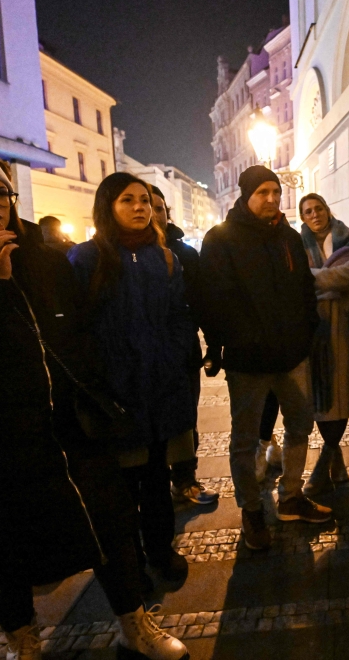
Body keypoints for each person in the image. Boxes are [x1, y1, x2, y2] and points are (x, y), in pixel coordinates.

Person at [0, 152, 186, 660]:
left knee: (110, 524)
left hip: (67, 423)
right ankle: (23, 640)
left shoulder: (44, 257)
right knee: (3, 545)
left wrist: (93, 387)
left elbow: (80, 328)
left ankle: (134, 624)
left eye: (1, 194)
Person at [68, 173, 195, 591]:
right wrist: (102, 374)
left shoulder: (165, 257)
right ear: (108, 206)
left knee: (157, 479)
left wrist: (174, 356)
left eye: (144, 200)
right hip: (115, 395)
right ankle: (131, 566)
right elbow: (77, 326)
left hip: (158, 389)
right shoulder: (86, 259)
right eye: (128, 200)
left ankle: (161, 551)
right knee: (121, 490)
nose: (140, 207)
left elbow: (179, 315)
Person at [198, 166, 331, 552]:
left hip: (292, 356)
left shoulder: (288, 237)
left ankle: (291, 497)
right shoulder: (221, 239)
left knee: (300, 425)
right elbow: (213, 301)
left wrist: (306, 332)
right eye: (263, 192)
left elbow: (304, 287)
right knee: (244, 440)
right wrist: (232, 343)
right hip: (249, 362)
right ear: (246, 195)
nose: (272, 198)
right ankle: (252, 510)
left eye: (276, 191)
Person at [150, 185, 219, 506]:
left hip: (182, 353)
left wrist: (214, 346)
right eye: (144, 204)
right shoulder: (114, 254)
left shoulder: (185, 254)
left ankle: (185, 480)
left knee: (185, 417)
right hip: (139, 356)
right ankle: (152, 486)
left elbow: (203, 303)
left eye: (158, 207)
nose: (152, 213)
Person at [297, 193, 349, 495]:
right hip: (313, 330)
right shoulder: (296, 244)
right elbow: (296, 280)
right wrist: (330, 280)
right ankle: (333, 456)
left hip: (345, 330)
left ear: (327, 210)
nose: (315, 214)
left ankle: (326, 459)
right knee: (320, 399)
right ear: (303, 217)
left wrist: (314, 278)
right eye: (308, 211)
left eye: (319, 208)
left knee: (341, 397)